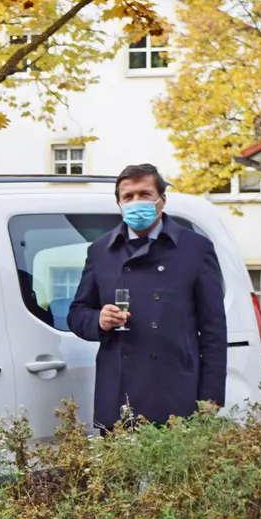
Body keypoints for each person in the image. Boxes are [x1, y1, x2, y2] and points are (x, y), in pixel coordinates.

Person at [68, 163, 227, 430]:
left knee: (177, 473)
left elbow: (213, 328)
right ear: (119, 204)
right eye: (128, 197)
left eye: (145, 194)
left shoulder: (195, 248)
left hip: (175, 393)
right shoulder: (100, 251)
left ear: (162, 200)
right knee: (120, 472)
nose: (135, 202)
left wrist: (210, 397)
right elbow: (77, 314)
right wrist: (99, 320)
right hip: (119, 395)